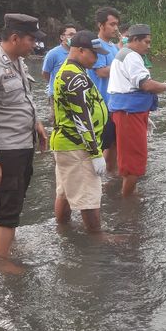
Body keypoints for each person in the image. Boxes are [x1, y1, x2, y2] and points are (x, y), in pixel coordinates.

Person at [0, 13, 48, 270]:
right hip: (6, 151)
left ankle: (5, 250)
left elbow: (22, 100)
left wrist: (37, 124)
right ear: (15, 38)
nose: (35, 44)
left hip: (23, 146)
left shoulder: (17, 63)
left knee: (14, 203)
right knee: (5, 210)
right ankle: (1, 262)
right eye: (31, 39)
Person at [51, 31, 110, 232]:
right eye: (94, 54)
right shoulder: (73, 76)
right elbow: (81, 118)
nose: (97, 58)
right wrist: (95, 154)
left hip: (68, 144)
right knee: (89, 198)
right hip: (77, 146)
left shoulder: (73, 71)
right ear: (81, 50)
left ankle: (63, 230)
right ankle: (96, 239)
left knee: (65, 192)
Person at [107, 24, 166, 197]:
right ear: (134, 40)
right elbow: (145, 84)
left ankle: (127, 193)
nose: (148, 46)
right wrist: (164, 86)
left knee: (129, 156)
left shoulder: (123, 54)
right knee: (133, 160)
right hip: (129, 114)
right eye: (146, 42)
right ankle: (128, 203)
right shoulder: (132, 57)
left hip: (129, 111)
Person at [88, 7, 120, 173]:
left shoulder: (113, 46)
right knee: (102, 147)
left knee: (114, 145)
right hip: (101, 105)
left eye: (117, 24)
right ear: (101, 25)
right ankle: (101, 183)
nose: (115, 28)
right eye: (112, 24)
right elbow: (100, 72)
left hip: (113, 104)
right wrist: (121, 66)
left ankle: (111, 183)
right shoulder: (96, 45)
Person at [42, 24, 77, 106]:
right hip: (56, 95)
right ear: (62, 37)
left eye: (75, 35)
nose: (74, 37)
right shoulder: (53, 53)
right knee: (55, 118)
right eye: (71, 35)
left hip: (74, 94)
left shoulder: (77, 52)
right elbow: (45, 73)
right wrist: (54, 84)